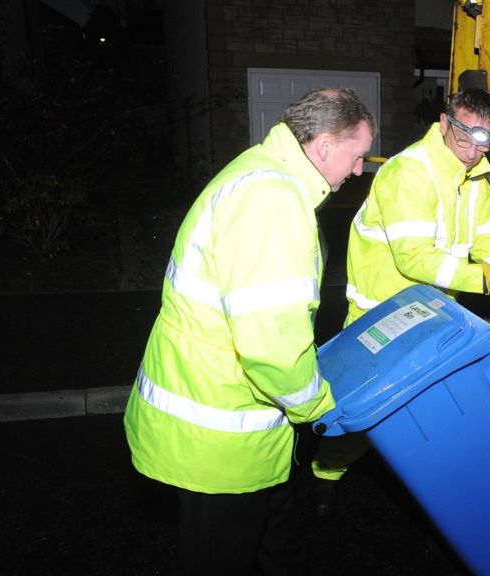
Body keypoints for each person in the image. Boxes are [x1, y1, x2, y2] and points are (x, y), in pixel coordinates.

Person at [123, 88, 376, 576]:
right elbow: (271, 342)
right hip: (219, 440)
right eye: (357, 154)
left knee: (275, 541)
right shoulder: (273, 203)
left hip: (231, 421)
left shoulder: (260, 169)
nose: (359, 169)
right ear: (324, 145)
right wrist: (318, 406)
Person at [308, 88, 490, 507]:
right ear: (445, 124)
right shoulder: (410, 173)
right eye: (463, 139)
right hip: (379, 315)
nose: (470, 152)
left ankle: (443, 482)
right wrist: (487, 280)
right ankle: (327, 474)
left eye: (480, 142)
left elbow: (489, 238)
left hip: (429, 313)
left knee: (434, 408)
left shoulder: (474, 177)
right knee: (365, 413)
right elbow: (413, 258)